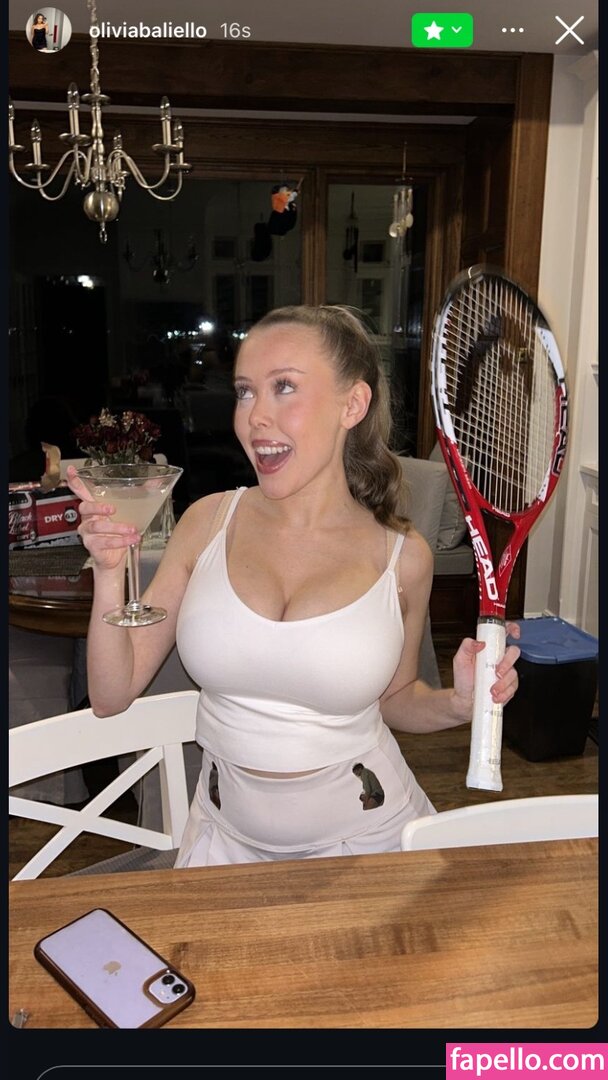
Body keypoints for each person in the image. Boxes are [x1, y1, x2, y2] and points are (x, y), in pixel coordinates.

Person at [66, 304, 520, 866]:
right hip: (223, 844)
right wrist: (110, 573)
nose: (254, 416)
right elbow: (110, 697)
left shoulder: (403, 557)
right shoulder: (207, 523)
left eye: (284, 387)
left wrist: (459, 703)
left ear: (352, 404)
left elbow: (397, 699)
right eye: (245, 391)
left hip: (367, 842)